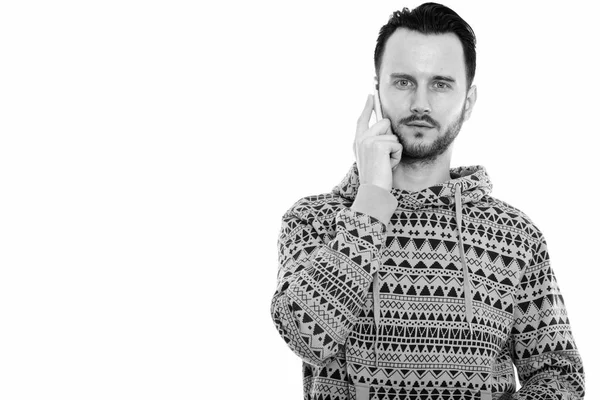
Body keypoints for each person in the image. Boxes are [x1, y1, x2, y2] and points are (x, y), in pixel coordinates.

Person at [270, 3, 585, 400]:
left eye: (440, 84)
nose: (421, 103)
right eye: (403, 82)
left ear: (468, 102)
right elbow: (307, 337)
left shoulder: (515, 235)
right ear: (377, 92)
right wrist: (371, 202)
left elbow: (559, 376)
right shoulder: (313, 220)